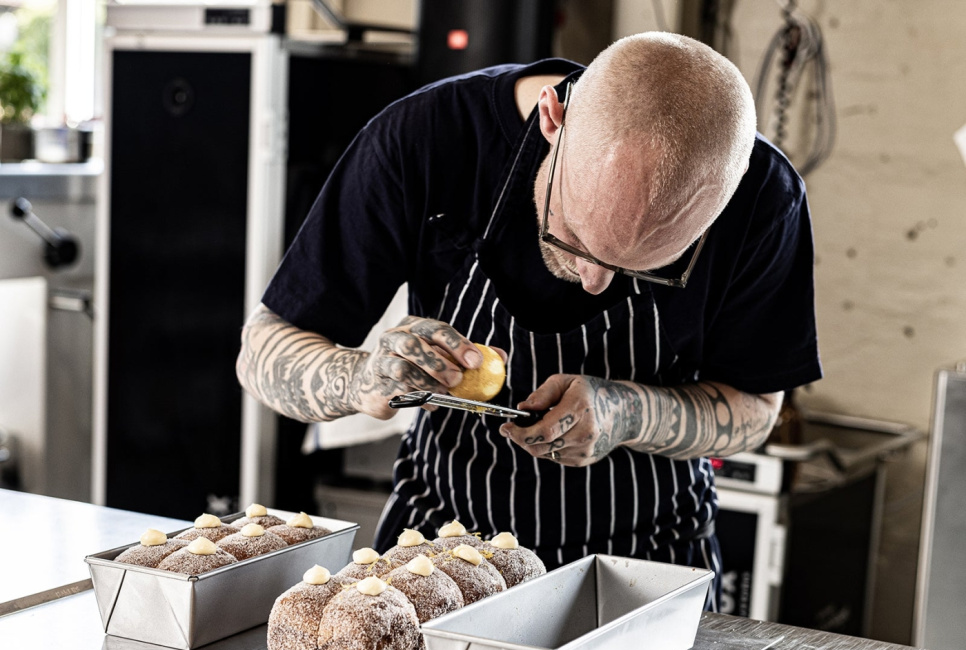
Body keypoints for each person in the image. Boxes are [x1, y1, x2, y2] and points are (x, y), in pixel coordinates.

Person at [236, 32, 822, 610]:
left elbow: (756, 412)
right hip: (436, 560)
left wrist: (628, 412)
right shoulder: (429, 136)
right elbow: (261, 352)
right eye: (573, 238)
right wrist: (361, 378)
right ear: (552, 118)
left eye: (647, 267)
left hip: (650, 568)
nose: (594, 282)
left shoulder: (765, 196)